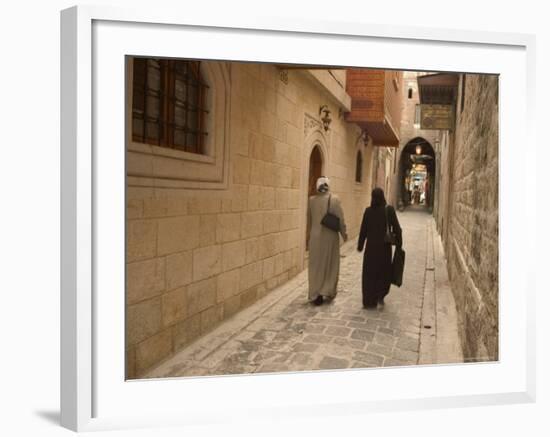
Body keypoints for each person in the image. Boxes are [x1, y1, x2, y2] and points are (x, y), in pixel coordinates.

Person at [357, 187, 402, 309]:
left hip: (371, 249)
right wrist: (399, 244)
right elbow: (397, 229)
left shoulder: (368, 211)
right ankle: (380, 295)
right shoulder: (389, 211)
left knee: (369, 274)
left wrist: (360, 245)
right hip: (384, 249)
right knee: (383, 272)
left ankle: (368, 300)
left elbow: (363, 231)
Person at [307, 176, 348, 305]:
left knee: (315, 266)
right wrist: (344, 233)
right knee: (330, 264)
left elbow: (309, 221)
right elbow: (340, 219)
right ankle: (327, 290)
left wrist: (309, 237)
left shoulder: (311, 200)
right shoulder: (334, 200)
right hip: (329, 237)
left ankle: (315, 293)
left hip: (315, 238)